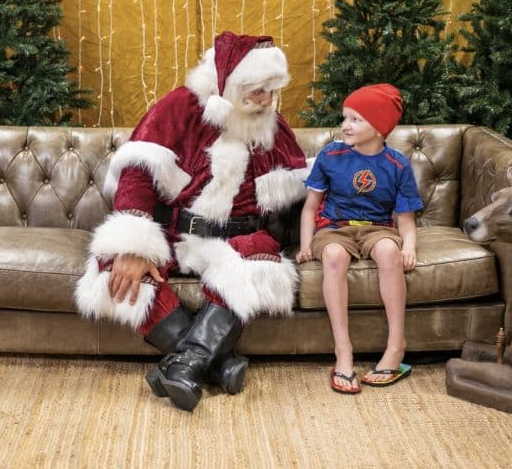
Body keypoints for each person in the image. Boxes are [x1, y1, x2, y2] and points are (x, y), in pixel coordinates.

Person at [74, 31, 309, 411]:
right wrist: (133, 246)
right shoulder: (180, 107)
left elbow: (308, 186)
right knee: (114, 269)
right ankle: (217, 365)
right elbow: (137, 171)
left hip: (240, 236)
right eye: (256, 89)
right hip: (174, 231)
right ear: (228, 81)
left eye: (272, 89)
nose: (267, 100)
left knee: (257, 265)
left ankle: (184, 365)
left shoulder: (271, 126)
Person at [295, 83, 423, 394]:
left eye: (355, 119)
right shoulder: (331, 155)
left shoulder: (397, 165)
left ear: (379, 127)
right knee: (335, 256)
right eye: (345, 118)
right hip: (334, 227)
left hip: (377, 227)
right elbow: (310, 206)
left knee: (388, 253)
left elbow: (405, 219)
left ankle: (395, 347)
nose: (345, 126)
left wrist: (409, 246)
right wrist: (304, 244)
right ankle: (343, 352)